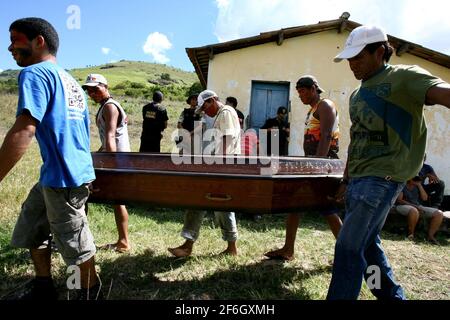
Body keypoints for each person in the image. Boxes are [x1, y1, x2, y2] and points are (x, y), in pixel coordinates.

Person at [328, 25, 450, 300]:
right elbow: (356, 141)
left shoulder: (405, 77)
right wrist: (346, 179)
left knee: (348, 248)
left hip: (382, 180)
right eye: (349, 59)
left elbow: (445, 93)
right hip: (359, 181)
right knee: (366, 247)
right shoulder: (358, 95)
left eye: (358, 57)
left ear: (380, 51)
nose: (352, 65)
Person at [1, 17, 101, 300]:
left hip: (65, 179)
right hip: (60, 174)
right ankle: (44, 287)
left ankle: (89, 293)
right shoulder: (71, 82)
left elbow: (24, 130)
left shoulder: (34, 73)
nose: (10, 47)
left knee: (76, 248)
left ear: (39, 41)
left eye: (16, 39)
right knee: (34, 228)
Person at [264, 75, 342, 261]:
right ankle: (288, 249)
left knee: (328, 209)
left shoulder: (325, 105)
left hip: (323, 165)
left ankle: (347, 254)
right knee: (295, 203)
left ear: (314, 88)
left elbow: (326, 136)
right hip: (312, 163)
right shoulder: (312, 110)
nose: (300, 95)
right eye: (298, 92)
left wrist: (318, 165)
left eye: (303, 91)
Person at [168, 90, 241, 257]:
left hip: (223, 166)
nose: (205, 112)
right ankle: (190, 245)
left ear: (213, 100)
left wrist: (218, 167)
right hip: (218, 165)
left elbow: (228, 141)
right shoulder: (218, 115)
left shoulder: (226, 112)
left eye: (205, 107)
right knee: (208, 202)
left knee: (214, 203)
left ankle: (228, 248)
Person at [82, 73, 131, 253]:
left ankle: (123, 242)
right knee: (115, 200)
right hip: (112, 156)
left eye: (96, 89)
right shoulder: (105, 106)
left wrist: (110, 166)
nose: (92, 93)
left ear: (106, 86)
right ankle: (122, 241)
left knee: (88, 194)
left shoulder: (110, 107)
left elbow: (111, 137)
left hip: (116, 158)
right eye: (89, 91)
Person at [394, 177, 443, 243]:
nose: (416, 180)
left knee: (439, 213)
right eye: (414, 179)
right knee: (414, 210)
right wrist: (415, 206)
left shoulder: (417, 186)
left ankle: (430, 236)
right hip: (401, 206)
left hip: (417, 206)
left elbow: (425, 198)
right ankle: (411, 234)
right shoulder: (403, 185)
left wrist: (419, 185)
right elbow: (399, 200)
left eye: (417, 179)